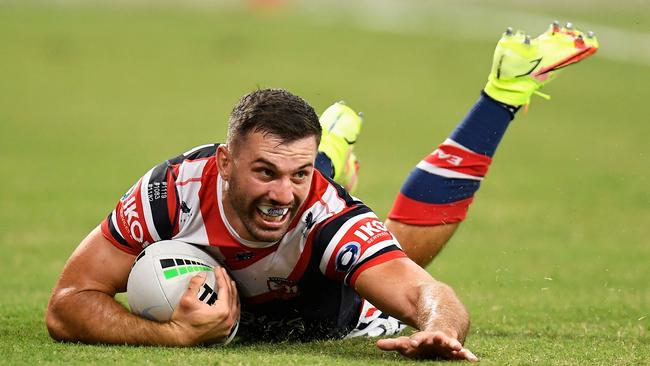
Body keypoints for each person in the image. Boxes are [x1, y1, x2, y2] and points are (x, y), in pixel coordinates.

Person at [45, 23, 597, 361]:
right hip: (255, 257)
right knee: (283, 202)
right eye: (264, 170)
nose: (284, 193)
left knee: (403, 247)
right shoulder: (171, 193)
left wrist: (438, 331)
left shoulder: (326, 216)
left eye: (299, 174)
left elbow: (430, 294)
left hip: (318, 305)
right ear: (224, 163)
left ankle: (500, 98)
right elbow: (66, 308)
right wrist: (171, 338)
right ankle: (327, 154)